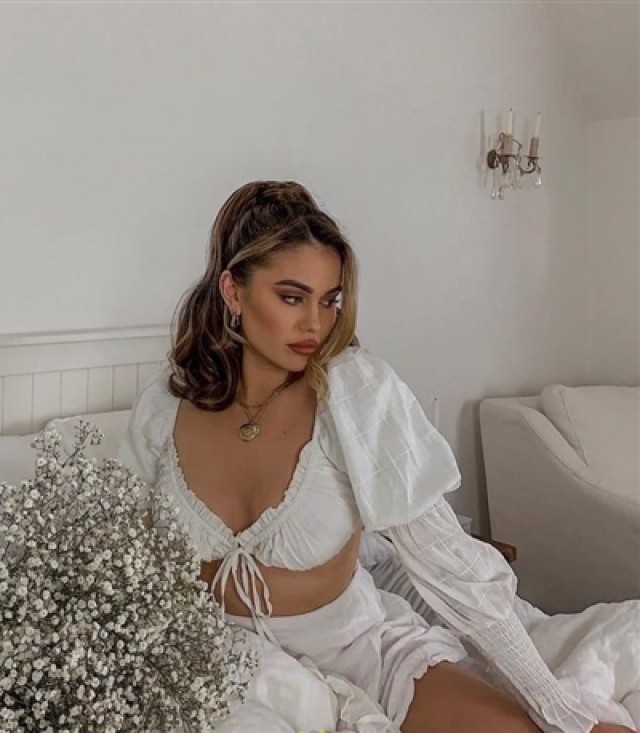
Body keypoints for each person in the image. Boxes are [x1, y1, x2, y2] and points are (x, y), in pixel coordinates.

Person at [118, 180, 635, 733]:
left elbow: (447, 562)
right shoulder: (163, 410)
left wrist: (555, 705)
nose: (315, 324)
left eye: (329, 300)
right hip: (221, 667)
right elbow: (120, 562)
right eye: (291, 298)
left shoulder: (356, 393)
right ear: (233, 291)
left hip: (360, 649)